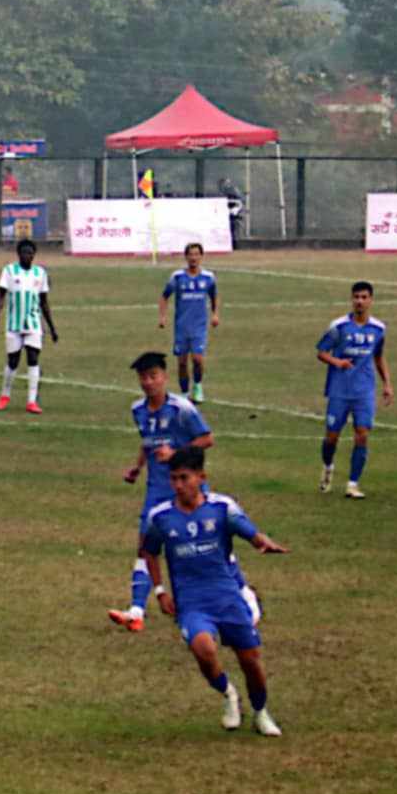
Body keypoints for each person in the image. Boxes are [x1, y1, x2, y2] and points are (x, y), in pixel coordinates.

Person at [144, 447, 287, 736]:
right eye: (173, 479)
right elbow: (149, 552)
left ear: (201, 477)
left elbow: (249, 531)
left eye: (184, 478)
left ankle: (261, 712)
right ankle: (229, 695)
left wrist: (264, 542)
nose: (178, 485)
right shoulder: (161, 516)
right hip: (192, 601)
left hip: (227, 596)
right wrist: (160, 591)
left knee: (251, 661)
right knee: (203, 649)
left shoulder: (222, 508)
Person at [109, 350, 212, 633]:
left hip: (187, 492)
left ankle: (239, 595)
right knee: (145, 547)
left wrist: (177, 452)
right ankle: (136, 610)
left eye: (153, 376)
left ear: (164, 378)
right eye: (143, 377)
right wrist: (137, 467)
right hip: (156, 491)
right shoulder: (138, 410)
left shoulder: (182, 408)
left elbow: (207, 439)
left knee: (205, 545)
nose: (148, 382)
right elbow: (147, 442)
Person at [317, 280, 393, 498]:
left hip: (364, 391)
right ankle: (328, 467)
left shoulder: (378, 329)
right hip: (339, 390)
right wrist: (337, 362)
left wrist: (387, 384)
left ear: (371, 300)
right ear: (351, 299)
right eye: (356, 297)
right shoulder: (338, 326)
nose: (359, 301)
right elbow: (321, 352)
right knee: (332, 436)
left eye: (364, 297)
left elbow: (378, 356)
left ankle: (352, 483)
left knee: (362, 435)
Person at [0, 237, 57, 413]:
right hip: (14, 325)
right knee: (13, 361)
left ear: (34, 255)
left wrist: (52, 328)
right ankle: (5, 396)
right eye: (24, 253)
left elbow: (44, 302)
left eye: (30, 253)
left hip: (34, 324)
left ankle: (31, 401)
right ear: (18, 254)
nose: (27, 256)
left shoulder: (40, 274)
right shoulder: (9, 271)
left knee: (33, 359)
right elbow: (1, 295)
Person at [158, 241, 220, 401]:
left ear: (201, 256)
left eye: (196, 254)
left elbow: (214, 296)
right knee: (182, 363)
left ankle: (198, 386)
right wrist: (163, 317)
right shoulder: (177, 277)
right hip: (181, 326)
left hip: (199, 326)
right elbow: (164, 296)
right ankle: (185, 393)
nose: (193, 258)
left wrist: (215, 314)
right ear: (186, 257)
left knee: (198, 359)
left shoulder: (208, 277)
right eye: (190, 254)